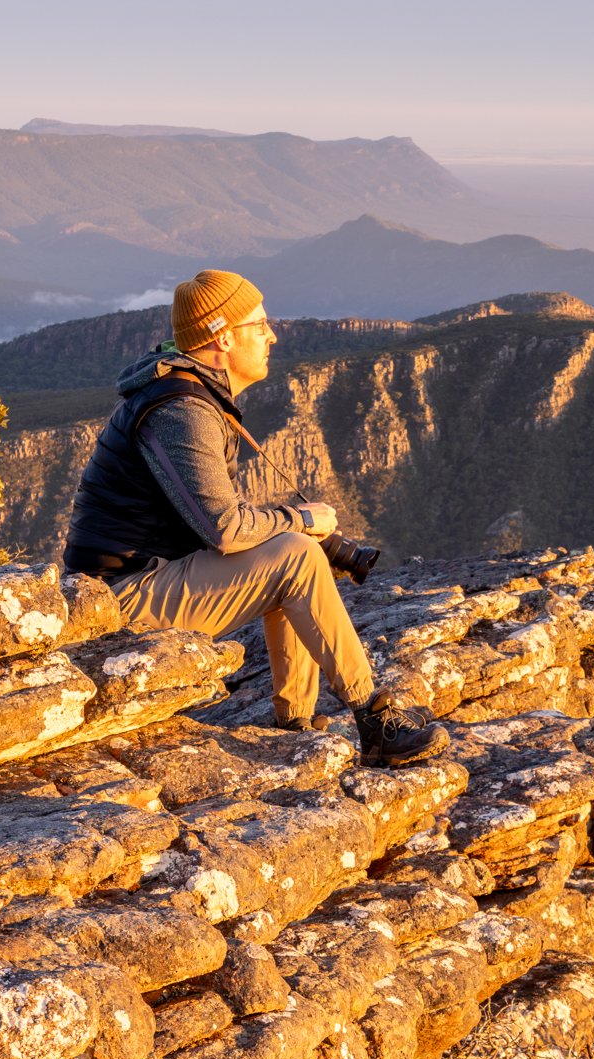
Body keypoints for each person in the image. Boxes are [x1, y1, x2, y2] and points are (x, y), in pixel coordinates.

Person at [61, 269, 447, 766]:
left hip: (142, 577)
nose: (272, 335)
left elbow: (222, 521)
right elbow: (225, 528)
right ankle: (373, 718)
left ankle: (297, 723)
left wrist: (297, 529)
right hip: (120, 598)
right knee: (295, 555)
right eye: (260, 324)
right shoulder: (182, 409)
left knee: (290, 552)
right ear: (223, 336)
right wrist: (302, 520)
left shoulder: (186, 395)